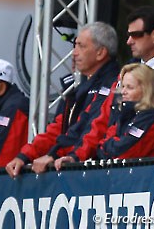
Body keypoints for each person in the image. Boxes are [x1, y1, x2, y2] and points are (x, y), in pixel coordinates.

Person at [6, 21, 120, 176]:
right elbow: (58, 128)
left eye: (81, 46)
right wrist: (24, 156)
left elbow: (94, 129)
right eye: (75, 45)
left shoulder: (115, 84)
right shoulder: (79, 89)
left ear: (100, 52)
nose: (74, 52)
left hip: (93, 175)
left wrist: (58, 155)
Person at [54, 63, 154, 169]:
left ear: (147, 90)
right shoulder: (124, 113)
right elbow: (106, 143)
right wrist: (107, 145)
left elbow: (124, 152)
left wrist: (106, 146)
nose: (123, 91)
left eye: (130, 87)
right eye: (123, 86)